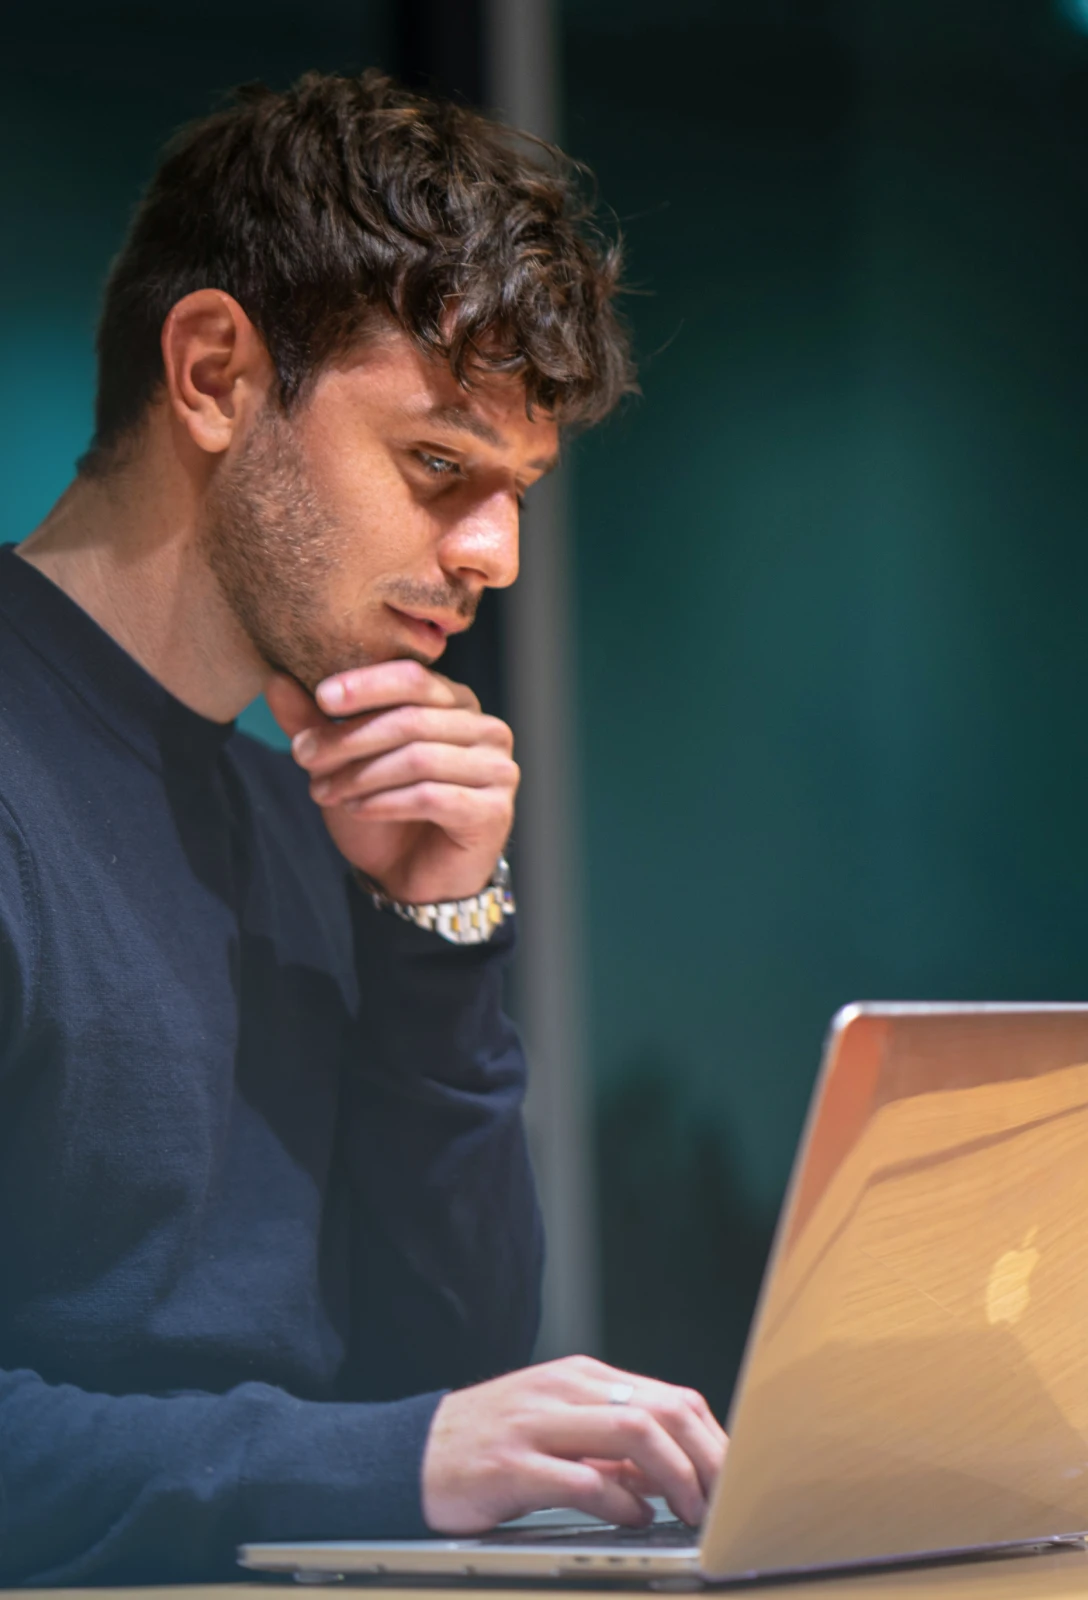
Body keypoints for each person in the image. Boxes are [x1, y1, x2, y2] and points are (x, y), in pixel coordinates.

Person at [0, 71, 726, 1585]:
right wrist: (383, 1461)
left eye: (515, 489)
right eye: (438, 465)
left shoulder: (307, 814)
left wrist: (437, 933)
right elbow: (414, 1437)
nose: (496, 556)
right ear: (211, 373)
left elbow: (443, 1352)